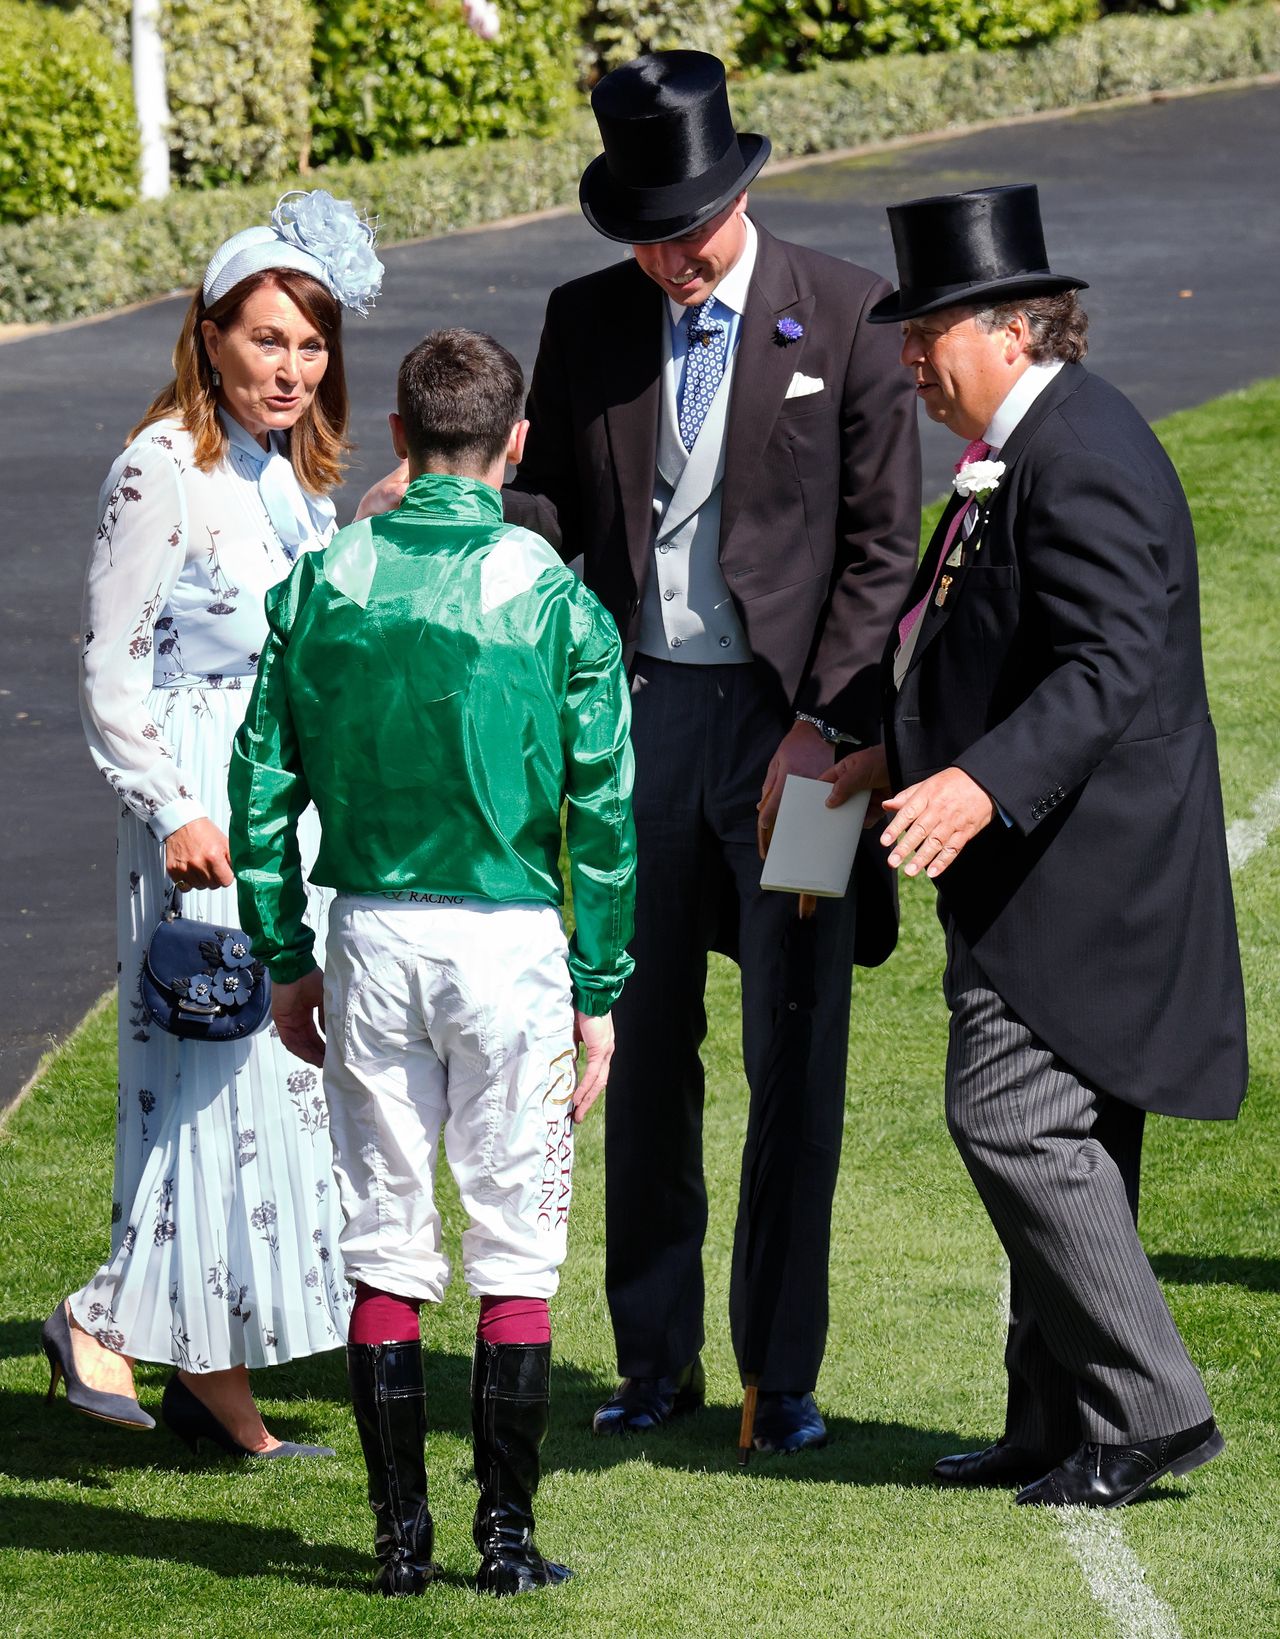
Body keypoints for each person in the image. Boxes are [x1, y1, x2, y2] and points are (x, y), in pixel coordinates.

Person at [510, 51, 920, 1452]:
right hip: (639, 729)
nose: (668, 258)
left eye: (685, 230)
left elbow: (880, 556)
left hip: (798, 742)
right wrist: (484, 532)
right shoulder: (587, 319)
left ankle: (779, 1373)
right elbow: (552, 501)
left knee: (796, 1045)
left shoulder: (852, 317)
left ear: (738, 196)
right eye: (645, 234)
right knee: (637, 1039)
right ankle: (652, 1356)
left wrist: (827, 727)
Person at [825, 183, 1248, 1506]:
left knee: (1008, 1113)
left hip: (1084, 875)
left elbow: (1109, 661)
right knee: (1075, 1134)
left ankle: (1153, 1405)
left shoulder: (1085, 449)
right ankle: (1055, 1416)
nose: (907, 352)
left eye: (928, 325)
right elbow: (995, 641)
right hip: (1049, 861)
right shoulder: (1038, 438)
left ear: (1010, 329)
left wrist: (976, 784)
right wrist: (894, 755)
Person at [228, 328, 636, 1595]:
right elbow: (603, 811)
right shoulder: (554, 592)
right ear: (514, 446)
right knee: (513, 1244)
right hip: (508, 942)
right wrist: (602, 986)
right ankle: (502, 1542)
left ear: (397, 440)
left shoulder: (321, 581)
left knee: (386, 1236)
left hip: (373, 935)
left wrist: (285, 953)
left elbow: (256, 786)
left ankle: (398, 1541)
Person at [47, 190, 383, 1456]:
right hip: (198, 809)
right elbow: (108, 668)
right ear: (209, 337)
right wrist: (177, 804)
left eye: (311, 344)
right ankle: (104, 1317)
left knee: (261, 1092)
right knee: (207, 1075)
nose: (291, 368)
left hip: (278, 804)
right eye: (267, 340)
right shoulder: (158, 467)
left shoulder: (287, 476)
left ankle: (213, 1385)